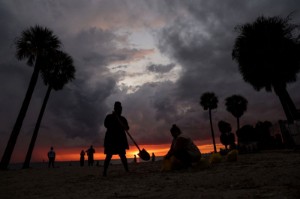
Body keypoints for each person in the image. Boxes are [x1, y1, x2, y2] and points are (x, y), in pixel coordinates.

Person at [103, 101, 130, 176]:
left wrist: (124, 126)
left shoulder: (122, 119)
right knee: (108, 156)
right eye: (119, 109)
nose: (120, 111)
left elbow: (127, 128)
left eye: (121, 109)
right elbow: (106, 125)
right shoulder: (109, 117)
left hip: (120, 140)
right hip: (111, 139)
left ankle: (127, 170)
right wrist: (114, 121)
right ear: (115, 109)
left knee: (122, 155)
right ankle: (104, 172)